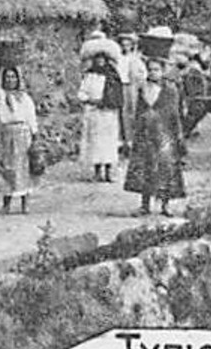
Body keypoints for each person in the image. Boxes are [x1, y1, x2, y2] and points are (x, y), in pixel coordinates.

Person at [123, 58, 186, 216]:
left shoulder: (170, 89)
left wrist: (178, 134)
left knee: (166, 169)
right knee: (146, 168)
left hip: (164, 134)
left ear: (163, 71)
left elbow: (174, 114)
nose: (153, 73)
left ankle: (165, 205)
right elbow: (138, 111)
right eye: (150, 69)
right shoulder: (143, 88)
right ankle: (145, 205)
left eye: (156, 69)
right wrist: (135, 131)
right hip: (146, 134)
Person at [0, 64, 39, 214]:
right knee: (6, 169)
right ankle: (6, 205)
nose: (10, 80)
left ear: (18, 79)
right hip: (5, 135)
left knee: (22, 169)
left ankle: (25, 204)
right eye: (7, 77)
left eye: (13, 77)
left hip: (22, 135)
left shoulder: (24, 98)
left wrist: (34, 137)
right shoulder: (1, 95)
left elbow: (31, 118)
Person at [77, 35, 125, 182]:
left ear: (106, 60)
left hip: (108, 115)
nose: (100, 62)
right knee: (96, 143)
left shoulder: (113, 76)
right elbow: (81, 92)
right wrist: (89, 99)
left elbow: (117, 95)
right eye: (97, 59)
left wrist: (106, 101)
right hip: (94, 114)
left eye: (102, 59)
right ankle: (97, 171)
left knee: (109, 143)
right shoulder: (90, 75)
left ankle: (109, 171)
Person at [116, 31, 147, 151]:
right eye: (123, 45)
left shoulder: (136, 59)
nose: (125, 47)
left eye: (128, 45)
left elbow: (143, 73)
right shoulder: (118, 58)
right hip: (121, 85)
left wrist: (140, 81)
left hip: (132, 86)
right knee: (120, 112)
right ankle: (120, 140)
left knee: (132, 112)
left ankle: (131, 141)